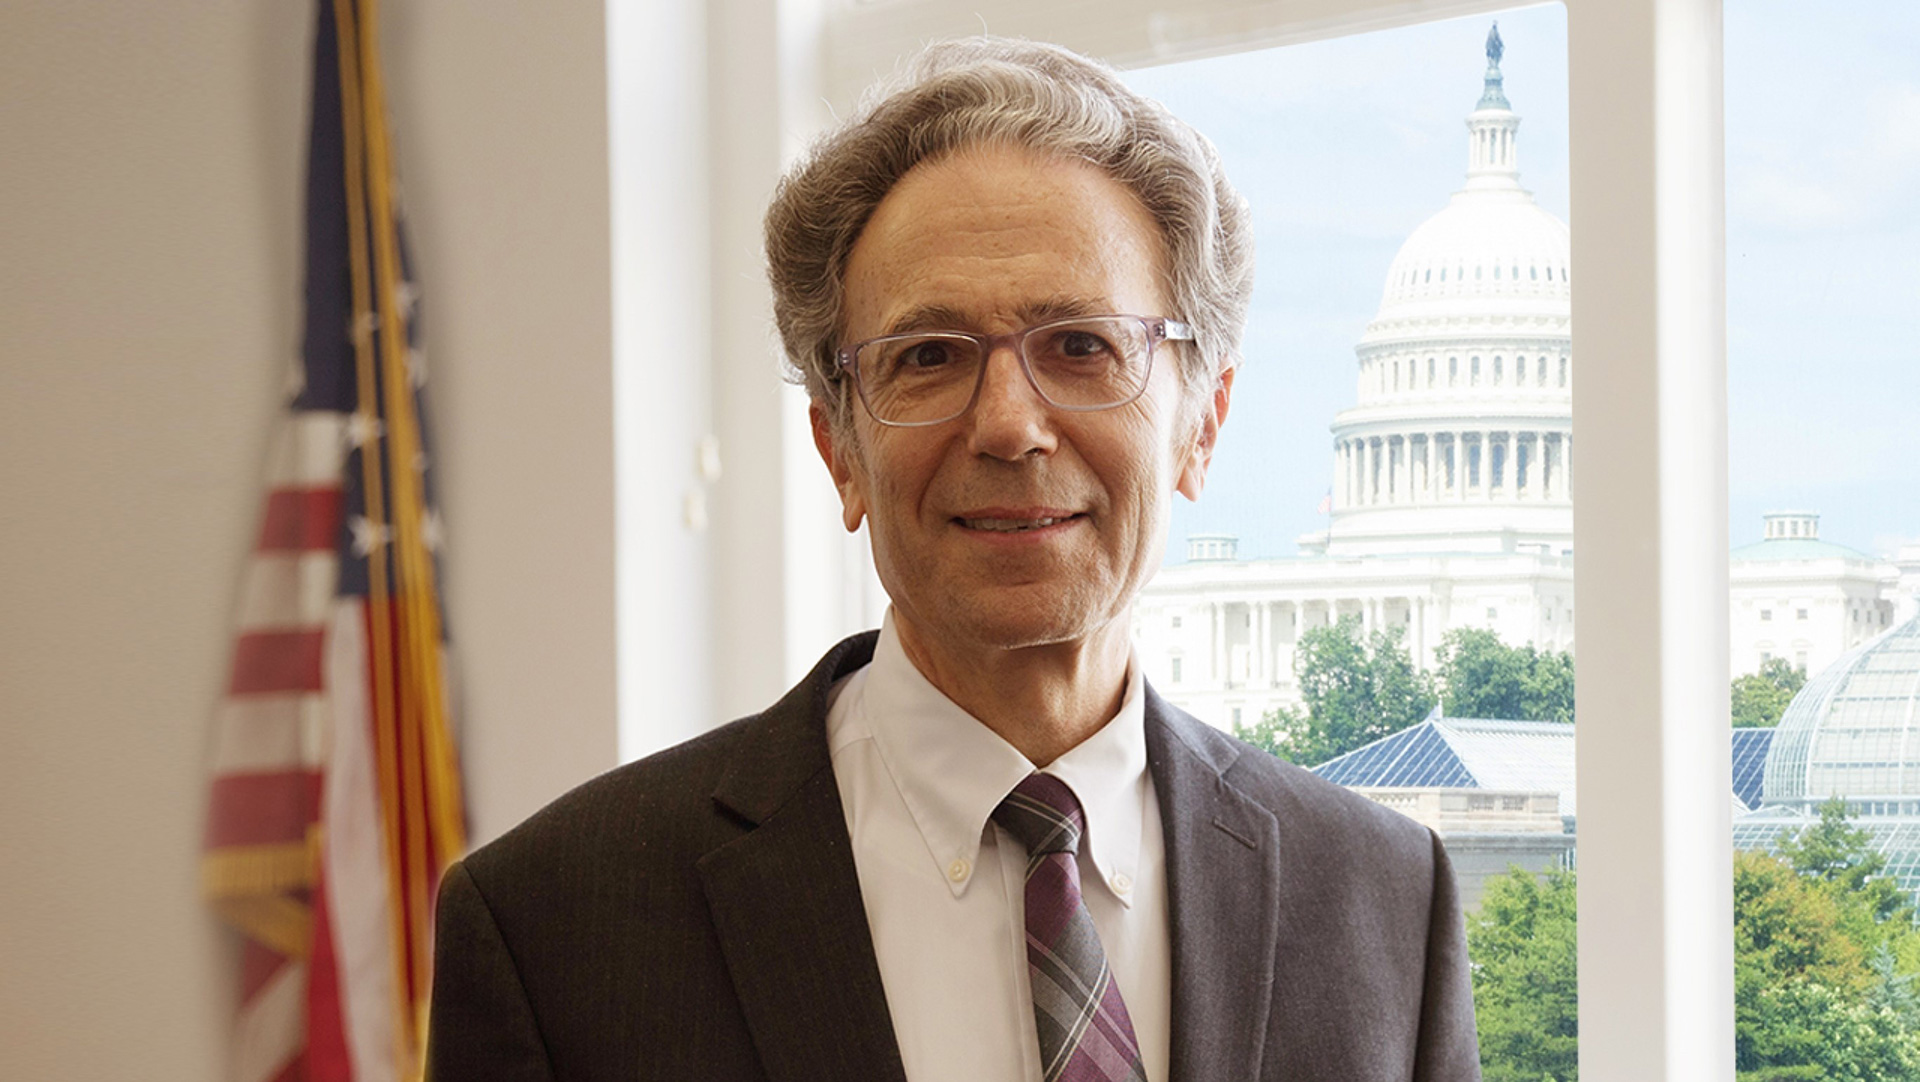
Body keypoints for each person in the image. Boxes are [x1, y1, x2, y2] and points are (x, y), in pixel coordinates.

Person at [428, 37, 1479, 1082]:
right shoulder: (551, 929)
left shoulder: (1386, 899)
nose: (1010, 425)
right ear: (839, 449)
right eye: (927, 356)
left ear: (1202, 423)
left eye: (1082, 344)